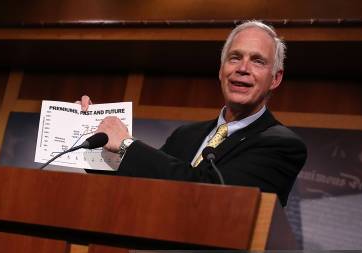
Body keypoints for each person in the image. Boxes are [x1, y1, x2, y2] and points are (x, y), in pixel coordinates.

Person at [79, 20, 306, 206]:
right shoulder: (185, 135)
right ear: (221, 70)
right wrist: (90, 134)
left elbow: (210, 194)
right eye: (235, 57)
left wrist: (127, 145)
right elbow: (138, 185)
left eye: (257, 61)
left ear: (275, 79)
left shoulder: (281, 145)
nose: (243, 68)